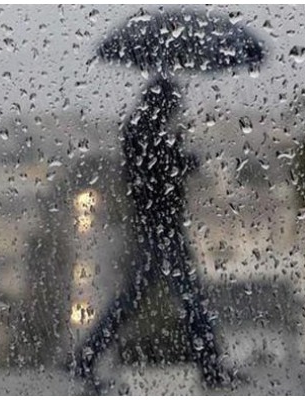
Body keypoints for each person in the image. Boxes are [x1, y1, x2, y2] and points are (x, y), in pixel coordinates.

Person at [69, 78, 241, 392]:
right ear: (163, 103)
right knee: (189, 300)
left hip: (155, 225)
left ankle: (86, 357)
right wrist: (181, 155)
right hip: (160, 227)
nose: (177, 110)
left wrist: (175, 148)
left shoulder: (139, 130)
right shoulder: (145, 133)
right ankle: (211, 369)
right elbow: (157, 174)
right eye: (173, 105)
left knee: (138, 300)